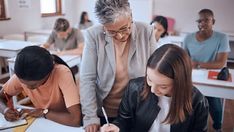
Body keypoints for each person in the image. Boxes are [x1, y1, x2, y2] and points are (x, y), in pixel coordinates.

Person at [80, 0, 156, 131]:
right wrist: (90, 116)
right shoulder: (94, 35)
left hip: (137, 110)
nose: (120, 35)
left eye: (124, 28)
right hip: (105, 111)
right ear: (103, 26)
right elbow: (87, 79)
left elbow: (155, 73)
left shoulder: (146, 32)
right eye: (112, 32)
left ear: (131, 15)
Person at [100, 44, 209, 132]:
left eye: (163, 86)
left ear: (180, 83)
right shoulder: (135, 88)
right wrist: (117, 127)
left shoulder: (198, 102)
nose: (153, 90)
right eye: (149, 79)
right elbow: (124, 120)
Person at [0, 46, 81, 127]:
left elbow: (75, 120)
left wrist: (44, 112)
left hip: (65, 122)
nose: (28, 88)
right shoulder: (23, 75)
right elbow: (1, 97)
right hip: (45, 121)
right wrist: (5, 110)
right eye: (23, 83)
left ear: (48, 74)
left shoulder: (62, 73)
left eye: (34, 85)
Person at [183, 9, 230, 131]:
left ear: (213, 21)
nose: (202, 23)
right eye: (200, 21)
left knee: (214, 104)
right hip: (193, 77)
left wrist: (198, 64)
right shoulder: (188, 38)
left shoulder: (222, 38)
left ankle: (217, 127)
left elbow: (220, 63)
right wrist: (190, 64)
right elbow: (183, 60)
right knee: (189, 103)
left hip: (211, 77)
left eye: (206, 20)